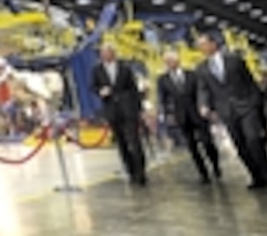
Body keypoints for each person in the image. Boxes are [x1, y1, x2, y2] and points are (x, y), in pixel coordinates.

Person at [194, 32, 267, 191]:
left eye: (203, 44)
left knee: (254, 141)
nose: (201, 48)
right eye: (199, 46)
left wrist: (255, 103)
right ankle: (256, 177)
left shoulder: (234, 60)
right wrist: (203, 105)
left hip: (246, 107)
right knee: (241, 145)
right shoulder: (201, 69)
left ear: (213, 44)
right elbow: (203, 89)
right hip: (227, 112)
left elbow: (249, 81)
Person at [156, 50, 220, 183]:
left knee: (207, 142)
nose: (169, 64)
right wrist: (167, 114)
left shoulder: (192, 75)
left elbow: (202, 92)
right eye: (167, 62)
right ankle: (203, 173)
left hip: (198, 113)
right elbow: (163, 99)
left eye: (171, 60)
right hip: (181, 116)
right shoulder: (163, 80)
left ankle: (215, 165)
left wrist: (208, 107)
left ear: (178, 61)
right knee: (192, 146)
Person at [91, 44, 147, 185]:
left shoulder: (125, 68)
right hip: (112, 111)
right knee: (121, 143)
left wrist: (139, 109)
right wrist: (100, 91)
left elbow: (134, 89)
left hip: (128, 110)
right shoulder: (97, 70)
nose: (105, 55)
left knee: (134, 141)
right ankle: (131, 171)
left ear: (113, 53)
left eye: (108, 52)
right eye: (103, 53)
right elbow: (93, 86)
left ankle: (141, 173)